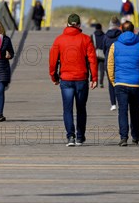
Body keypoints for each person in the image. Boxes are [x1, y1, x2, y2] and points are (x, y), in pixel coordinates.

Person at [49, 13, 98, 146]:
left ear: (67, 24)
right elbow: (92, 60)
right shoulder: (86, 39)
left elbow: (53, 61)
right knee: (81, 108)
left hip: (66, 79)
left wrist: (54, 76)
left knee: (67, 109)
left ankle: (70, 137)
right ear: (79, 25)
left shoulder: (59, 40)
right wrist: (94, 77)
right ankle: (80, 137)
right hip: (82, 79)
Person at [107, 21, 139, 146]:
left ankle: (123, 137)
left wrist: (113, 80)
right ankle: (135, 136)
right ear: (134, 30)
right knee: (135, 111)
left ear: (121, 30)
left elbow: (110, 65)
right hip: (136, 83)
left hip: (120, 83)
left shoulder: (115, 45)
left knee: (123, 111)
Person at [103, 16, 122, 111]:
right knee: (120, 82)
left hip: (108, 62)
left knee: (111, 83)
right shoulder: (121, 35)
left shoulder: (106, 36)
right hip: (119, 62)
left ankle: (113, 103)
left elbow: (104, 49)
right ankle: (121, 102)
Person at [91, 23, 106, 88]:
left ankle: (95, 81)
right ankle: (101, 83)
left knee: (94, 69)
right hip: (102, 54)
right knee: (102, 69)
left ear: (96, 28)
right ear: (101, 28)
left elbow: (90, 46)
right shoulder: (105, 35)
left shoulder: (92, 36)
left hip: (95, 54)